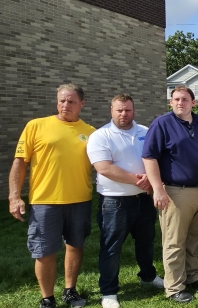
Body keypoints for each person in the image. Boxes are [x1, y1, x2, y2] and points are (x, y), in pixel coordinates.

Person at [8, 84, 96, 308]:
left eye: (71, 101)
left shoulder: (91, 132)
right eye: (62, 101)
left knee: (75, 245)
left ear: (82, 104)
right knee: (44, 251)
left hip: (80, 200)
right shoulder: (36, 126)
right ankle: (47, 298)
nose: (65, 105)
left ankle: (70, 290)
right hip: (45, 202)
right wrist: (14, 196)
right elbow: (20, 163)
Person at [86, 94, 164, 308]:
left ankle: (147, 276)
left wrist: (151, 179)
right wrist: (138, 180)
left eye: (127, 110)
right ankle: (109, 292)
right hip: (114, 202)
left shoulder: (145, 132)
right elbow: (103, 167)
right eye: (119, 110)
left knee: (146, 242)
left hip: (143, 200)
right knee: (111, 248)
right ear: (111, 110)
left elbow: (155, 159)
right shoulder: (100, 136)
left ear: (133, 110)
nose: (124, 114)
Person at [142, 85, 198, 303]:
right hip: (175, 192)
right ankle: (174, 286)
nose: (179, 102)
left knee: (194, 238)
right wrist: (158, 189)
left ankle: (193, 276)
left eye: (184, 99)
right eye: (175, 99)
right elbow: (149, 157)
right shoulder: (162, 124)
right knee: (174, 241)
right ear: (171, 103)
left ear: (194, 102)